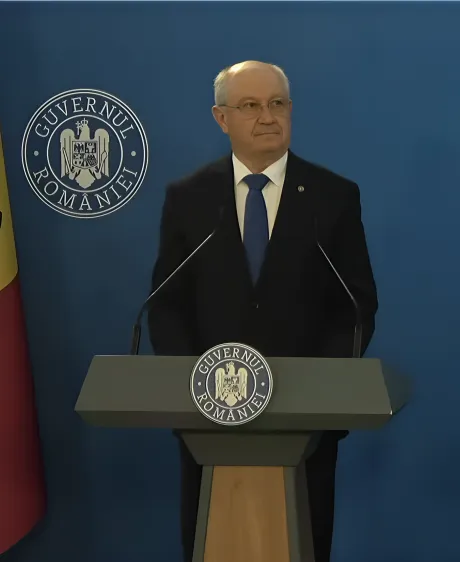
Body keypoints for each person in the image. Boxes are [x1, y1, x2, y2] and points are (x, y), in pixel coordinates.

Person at [147, 60, 378, 562]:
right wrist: (194, 389)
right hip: (209, 422)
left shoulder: (333, 196)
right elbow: (166, 305)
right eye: (250, 105)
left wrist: (320, 390)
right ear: (221, 118)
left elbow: (355, 306)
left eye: (277, 104)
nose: (267, 116)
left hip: (305, 426)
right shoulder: (188, 198)